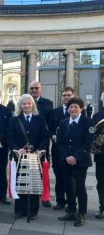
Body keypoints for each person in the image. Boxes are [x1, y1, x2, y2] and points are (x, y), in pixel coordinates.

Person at [7, 94, 49, 220]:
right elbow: (9, 137)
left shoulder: (40, 119)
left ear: (32, 105)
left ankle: (32, 211)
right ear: (20, 105)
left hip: (36, 157)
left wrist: (39, 149)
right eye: (24, 104)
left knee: (34, 184)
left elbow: (45, 137)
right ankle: (19, 210)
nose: (26, 106)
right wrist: (17, 149)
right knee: (20, 183)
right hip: (20, 156)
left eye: (29, 103)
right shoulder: (14, 120)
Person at [57, 97, 94, 227]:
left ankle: (82, 214)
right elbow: (59, 142)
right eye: (71, 107)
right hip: (66, 160)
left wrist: (75, 157)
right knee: (68, 186)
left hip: (81, 161)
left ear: (81, 109)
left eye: (76, 107)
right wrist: (67, 157)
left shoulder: (87, 122)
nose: (73, 109)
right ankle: (72, 211)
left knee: (80, 187)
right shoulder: (63, 122)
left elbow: (88, 143)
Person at [48, 87, 74, 210]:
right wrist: (53, 136)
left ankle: (71, 202)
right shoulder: (55, 112)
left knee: (71, 178)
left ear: (73, 96)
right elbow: (50, 128)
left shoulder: (79, 111)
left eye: (69, 95)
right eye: (64, 95)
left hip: (72, 151)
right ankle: (60, 201)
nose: (66, 97)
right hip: (57, 149)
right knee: (58, 177)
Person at [28, 80, 53, 208]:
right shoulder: (25, 101)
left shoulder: (48, 104)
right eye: (31, 88)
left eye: (36, 88)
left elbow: (50, 126)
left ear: (40, 89)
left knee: (43, 170)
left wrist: (43, 144)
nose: (34, 90)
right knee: (28, 170)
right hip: (27, 144)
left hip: (42, 144)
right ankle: (30, 194)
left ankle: (45, 196)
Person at [92, 93, 104, 219]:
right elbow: (93, 134)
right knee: (101, 182)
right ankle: (102, 208)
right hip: (101, 156)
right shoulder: (96, 116)